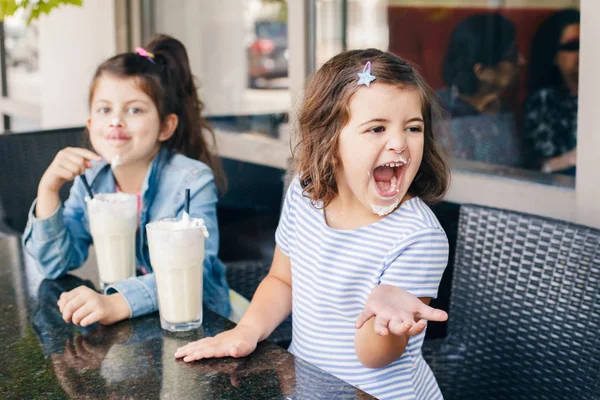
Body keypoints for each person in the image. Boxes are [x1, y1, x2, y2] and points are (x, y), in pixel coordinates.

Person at [175, 49, 450, 400]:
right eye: (377, 128)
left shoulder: (419, 237)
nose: (399, 142)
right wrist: (247, 330)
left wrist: (385, 318)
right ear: (330, 139)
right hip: (308, 388)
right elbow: (281, 280)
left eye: (413, 128)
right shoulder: (305, 198)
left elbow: (374, 357)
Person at [22, 34, 231, 327]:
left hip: (196, 324)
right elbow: (55, 263)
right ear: (91, 125)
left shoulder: (191, 180)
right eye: (105, 109)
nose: (116, 121)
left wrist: (115, 302)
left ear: (166, 126)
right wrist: (48, 190)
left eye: (134, 109)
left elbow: (199, 270)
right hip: (130, 325)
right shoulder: (91, 179)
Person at [438, 13, 525, 167]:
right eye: (512, 56)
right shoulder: (444, 115)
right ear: (482, 71)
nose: (522, 61)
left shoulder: (501, 108)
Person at [524, 8, 580, 175]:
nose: (583, 52)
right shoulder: (543, 101)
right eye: (572, 46)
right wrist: (573, 158)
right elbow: (539, 166)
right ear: (553, 55)